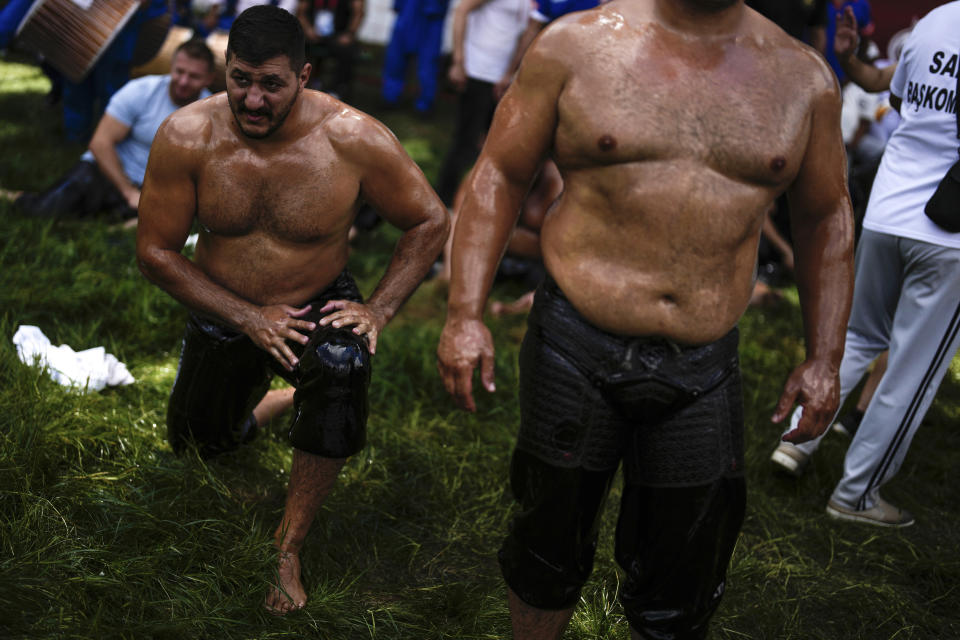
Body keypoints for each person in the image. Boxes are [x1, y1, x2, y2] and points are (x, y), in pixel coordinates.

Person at [437, 0, 854, 637]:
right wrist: (465, 313)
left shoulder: (803, 78)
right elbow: (499, 173)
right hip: (575, 342)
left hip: (704, 361)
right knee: (547, 543)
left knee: (685, 571)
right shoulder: (575, 44)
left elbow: (825, 216)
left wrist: (825, 356)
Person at [135, 5, 448, 615]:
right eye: (240, 80)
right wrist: (247, 318)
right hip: (226, 308)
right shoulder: (187, 135)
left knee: (339, 362)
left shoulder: (352, 138)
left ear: (303, 76)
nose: (252, 100)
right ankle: (276, 400)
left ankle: (288, 545)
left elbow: (429, 219)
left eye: (271, 84)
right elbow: (155, 253)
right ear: (225, 71)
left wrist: (379, 310)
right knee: (199, 443)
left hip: (314, 304)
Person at [771, 2, 960, 528]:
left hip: (887, 212)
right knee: (912, 373)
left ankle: (796, 443)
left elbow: (889, 87)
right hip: (948, 233)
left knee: (857, 337)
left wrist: (848, 60)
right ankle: (855, 496)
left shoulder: (938, 21)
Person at [11, 39, 215, 222]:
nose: (183, 81)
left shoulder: (213, 115)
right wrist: (129, 192)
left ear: (208, 79)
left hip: (155, 192)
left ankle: (122, 220)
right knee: (41, 212)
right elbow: (100, 143)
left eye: (194, 76)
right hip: (108, 173)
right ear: (171, 67)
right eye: (179, 72)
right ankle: (19, 197)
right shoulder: (141, 91)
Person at [433, 0, 529, 205]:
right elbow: (461, 10)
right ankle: (444, 201)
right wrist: (458, 61)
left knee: (491, 142)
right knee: (465, 141)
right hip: (478, 70)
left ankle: (472, 199)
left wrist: (511, 72)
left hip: (502, 78)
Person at [381, 0, 451, 114]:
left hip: (430, 20)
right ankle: (390, 98)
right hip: (407, 14)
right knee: (395, 61)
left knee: (428, 67)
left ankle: (424, 105)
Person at [297, 0, 365, 102]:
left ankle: (337, 90)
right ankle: (298, 84)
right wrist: (308, 29)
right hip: (312, 34)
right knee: (295, 45)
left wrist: (349, 33)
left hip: (338, 35)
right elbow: (301, 12)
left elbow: (358, 13)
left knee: (347, 51)